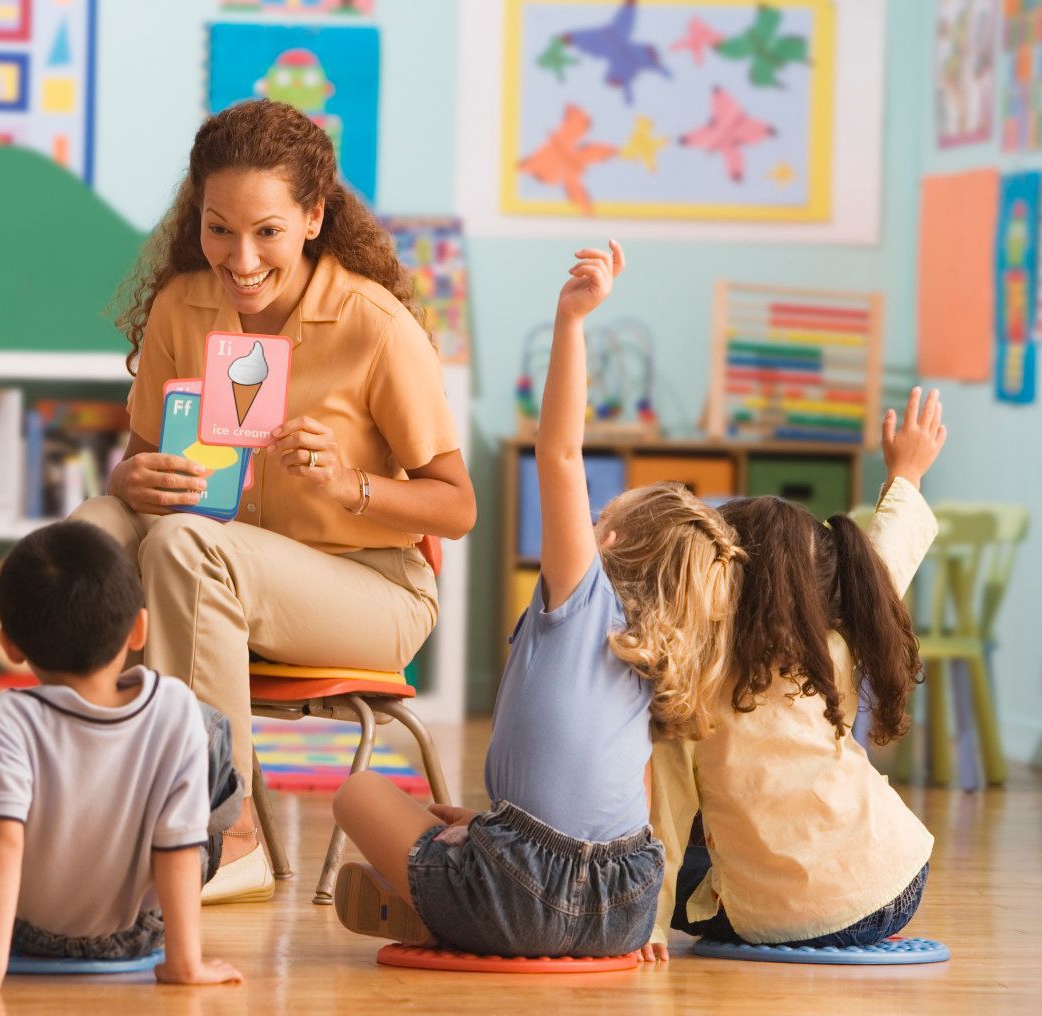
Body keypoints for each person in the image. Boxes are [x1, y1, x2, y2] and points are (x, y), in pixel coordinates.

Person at [71, 98, 476, 904]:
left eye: (267, 232)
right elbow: (140, 462)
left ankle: (232, 834)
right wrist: (127, 481)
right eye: (220, 228)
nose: (241, 257)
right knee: (91, 532)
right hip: (214, 576)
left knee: (185, 546)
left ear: (313, 218)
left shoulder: (373, 326)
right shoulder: (180, 307)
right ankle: (80, 800)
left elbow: (456, 507)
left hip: (370, 587)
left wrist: (350, 484)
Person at [328, 241, 743, 959]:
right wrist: (638, 924)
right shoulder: (657, 645)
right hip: (625, 899)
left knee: (358, 793)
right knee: (452, 818)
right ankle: (465, 867)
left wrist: (571, 322)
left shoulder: (583, 595)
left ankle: (444, 910)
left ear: (608, 542)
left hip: (522, 886)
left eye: (600, 514)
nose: (585, 519)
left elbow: (559, 453)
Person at [647, 389, 946, 954]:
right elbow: (888, 556)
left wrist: (653, 925)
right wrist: (906, 472)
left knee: (690, 839)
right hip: (896, 881)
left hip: (776, 921)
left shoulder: (690, 681)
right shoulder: (835, 639)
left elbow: (665, 815)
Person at [0, 521, 243, 993]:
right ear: (138, 629)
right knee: (211, 731)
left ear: (10, 645)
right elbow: (179, 848)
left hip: (25, 933)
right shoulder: (176, 709)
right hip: (136, 937)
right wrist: (186, 965)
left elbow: (0, 840)